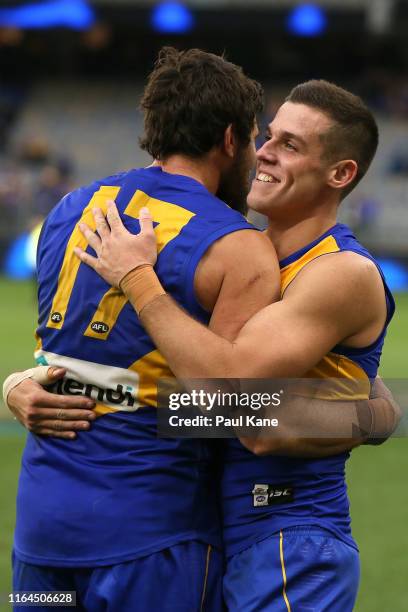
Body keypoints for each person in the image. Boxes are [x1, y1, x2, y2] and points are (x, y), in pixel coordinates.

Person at [72, 80, 397, 611]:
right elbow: (182, 386)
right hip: (216, 536)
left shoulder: (340, 271)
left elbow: (234, 405)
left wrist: (138, 279)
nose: (263, 151)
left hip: (289, 536)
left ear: (340, 174)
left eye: (290, 144)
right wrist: (34, 383)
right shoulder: (245, 255)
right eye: (268, 136)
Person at [4, 47, 280, 612]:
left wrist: (21, 383)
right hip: (153, 535)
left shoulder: (68, 208)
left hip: (42, 529)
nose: (256, 157)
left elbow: (59, 359)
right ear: (230, 140)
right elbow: (226, 409)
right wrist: (368, 409)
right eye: (254, 140)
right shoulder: (238, 245)